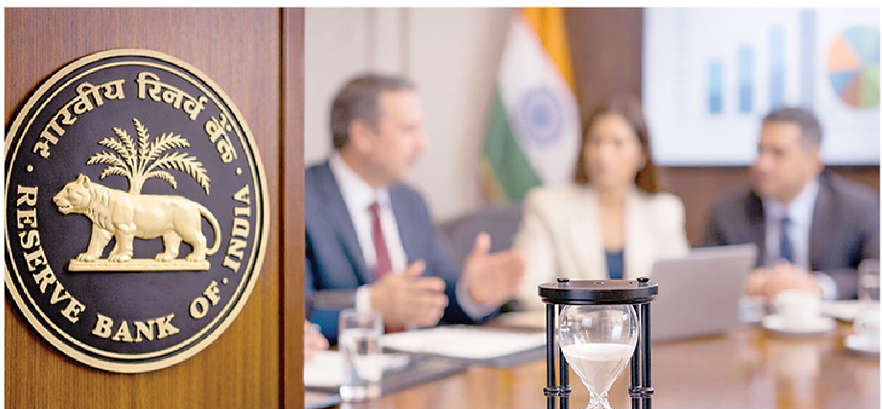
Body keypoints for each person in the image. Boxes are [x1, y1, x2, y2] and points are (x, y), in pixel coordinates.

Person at [306, 73, 525, 342]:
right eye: (409, 129)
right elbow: (288, 310)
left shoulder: (410, 201)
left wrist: (471, 293)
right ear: (362, 135)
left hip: (417, 361)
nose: (423, 144)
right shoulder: (300, 199)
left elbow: (441, 292)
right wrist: (370, 305)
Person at [514, 96, 689, 309]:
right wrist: (593, 320)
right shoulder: (546, 207)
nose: (603, 155)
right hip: (574, 328)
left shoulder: (665, 211)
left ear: (641, 155)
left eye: (617, 144)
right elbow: (528, 291)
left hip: (645, 328)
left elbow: (678, 290)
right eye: (595, 142)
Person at [704, 107, 879, 301]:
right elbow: (704, 276)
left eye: (778, 153)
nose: (762, 164)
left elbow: (875, 274)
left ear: (814, 160)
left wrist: (818, 286)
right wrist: (744, 283)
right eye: (760, 150)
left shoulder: (858, 208)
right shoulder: (729, 211)